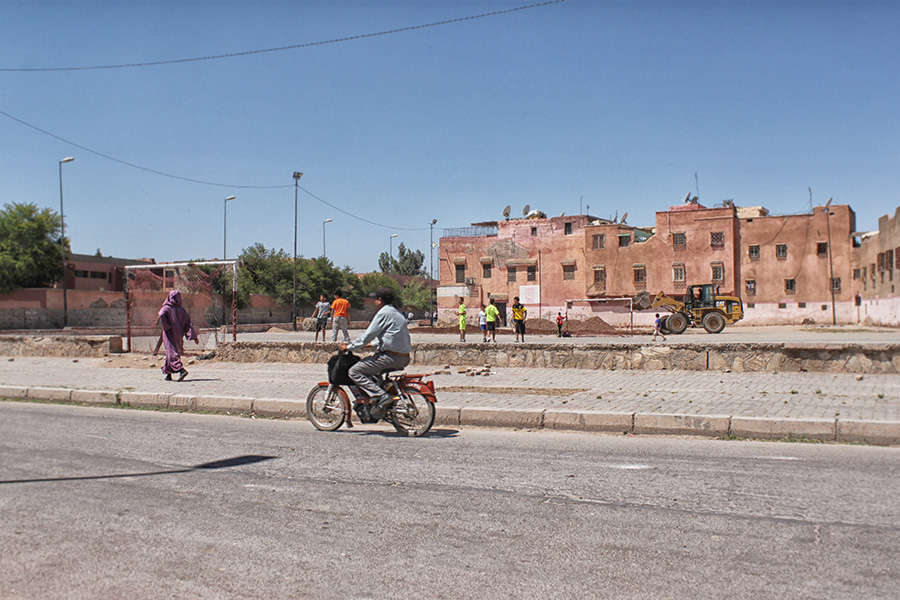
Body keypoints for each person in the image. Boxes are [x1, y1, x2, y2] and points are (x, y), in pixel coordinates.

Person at [339, 287, 411, 420]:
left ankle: (382, 396)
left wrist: (350, 347)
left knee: (354, 371)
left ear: (380, 300)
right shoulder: (396, 313)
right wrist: (369, 345)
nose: (373, 301)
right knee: (373, 372)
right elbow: (390, 337)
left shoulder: (383, 313)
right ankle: (380, 404)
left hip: (390, 357)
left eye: (375, 299)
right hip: (403, 357)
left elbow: (368, 334)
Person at [157, 290, 199, 381]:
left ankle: (181, 369)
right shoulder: (182, 310)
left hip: (169, 333)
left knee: (171, 351)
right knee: (172, 351)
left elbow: (161, 314)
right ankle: (168, 373)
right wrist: (193, 336)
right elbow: (188, 324)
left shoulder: (167, 308)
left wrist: (167, 326)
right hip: (178, 334)